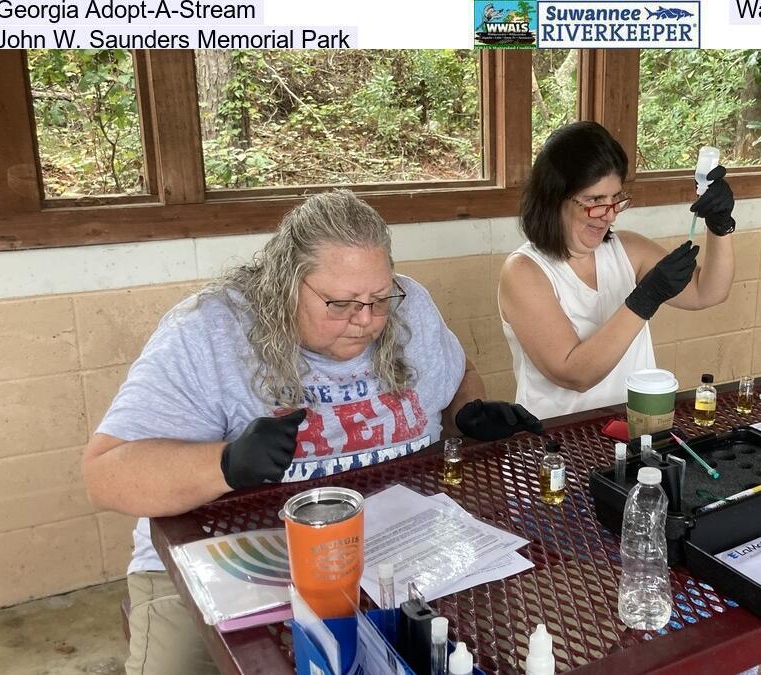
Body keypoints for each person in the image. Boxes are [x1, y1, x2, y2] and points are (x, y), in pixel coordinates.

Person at [81, 190, 541, 675]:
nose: (365, 320)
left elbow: (457, 375)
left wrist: (466, 416)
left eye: (379, 299)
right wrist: (225, 464)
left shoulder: (413, 308)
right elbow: (105, 473)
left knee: (487, 647)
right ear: (286, 281)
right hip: (237, 561)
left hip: (394, 549)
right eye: (340, 303)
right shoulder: (208, 331)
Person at [498, 121, 737, 419]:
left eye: (616, 199)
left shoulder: (627, 249)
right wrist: (645, 299)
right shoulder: (525, 271)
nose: (608, 215)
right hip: (560, 444)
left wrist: (720, 225)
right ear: (555, 198)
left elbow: (708, 292)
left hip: (636, 428)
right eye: (595, 201)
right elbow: (575, 374)